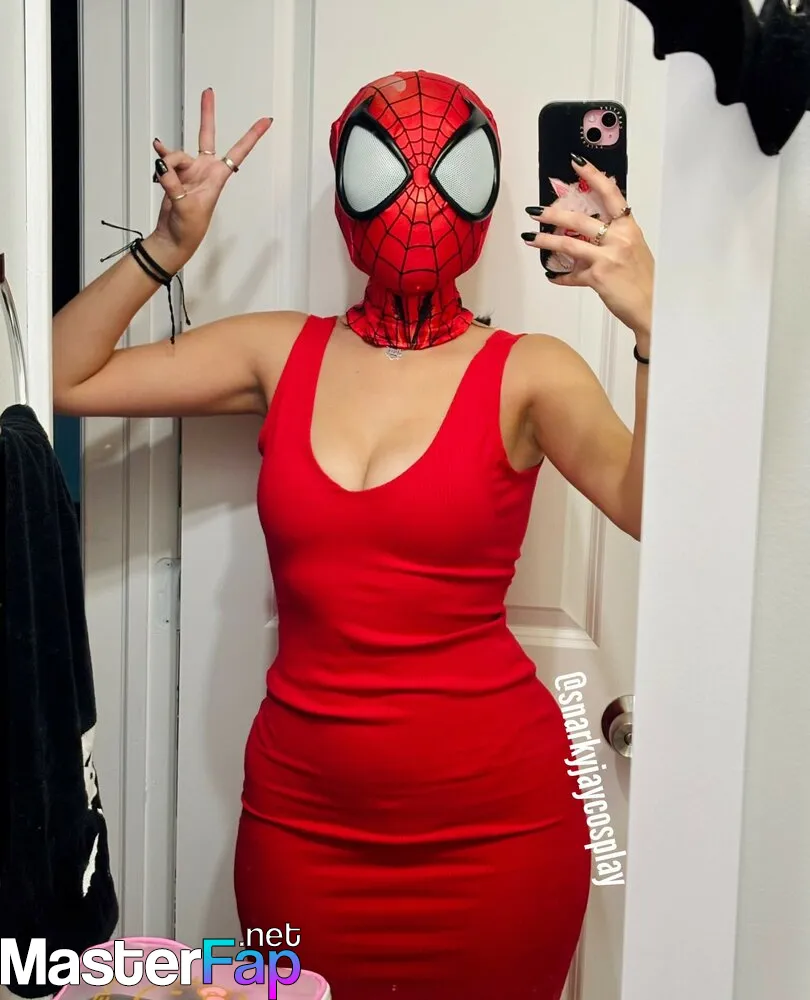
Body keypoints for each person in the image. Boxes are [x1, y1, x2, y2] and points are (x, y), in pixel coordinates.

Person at [53, 71, 654, 1000]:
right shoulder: (278, 350)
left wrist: (652, 326)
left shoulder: (532, 372)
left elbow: (651, 508)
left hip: (501, 838)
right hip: (302, 831)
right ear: (347, 188)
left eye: (449, 172)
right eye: (384, 170)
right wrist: (168, 247)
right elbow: (65, 377)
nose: (416, 198)